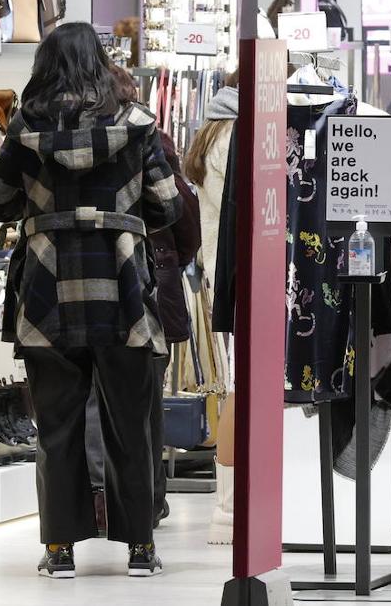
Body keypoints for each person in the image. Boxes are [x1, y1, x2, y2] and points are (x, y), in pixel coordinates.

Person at [0, 22, 182, 578]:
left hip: (47, 290)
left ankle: (59, 549)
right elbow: (167, 205)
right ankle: (140, 547)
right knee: (129, 422)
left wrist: (37, 202)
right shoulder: (137, 126)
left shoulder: (25, 129)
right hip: (122, 291)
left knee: (57, 425)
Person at [85, 68, 200, 532]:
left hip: (98, 284)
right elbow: (181, 212)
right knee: (145, 399)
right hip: (151, 278)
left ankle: (104, 501)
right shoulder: (152, 137)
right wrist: (173, 256)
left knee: (100, 396)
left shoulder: (74, 137)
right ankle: (147, 501)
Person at [183, 76, 238, 544]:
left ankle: (229, 506)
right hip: (243, 282)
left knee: (238, 389)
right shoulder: (235, 134)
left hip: (225, 279)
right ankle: (228, 508)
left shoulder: (216, 130)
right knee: (242, 391)